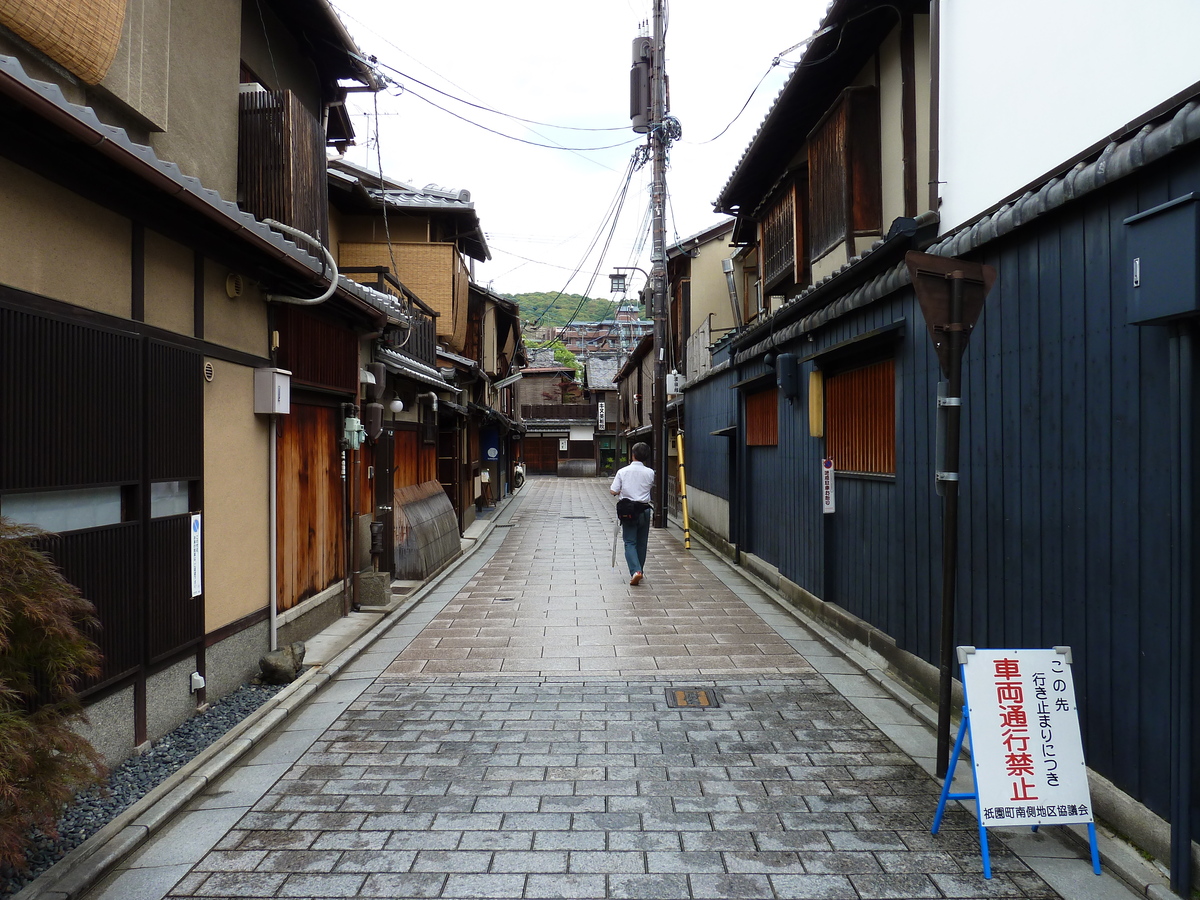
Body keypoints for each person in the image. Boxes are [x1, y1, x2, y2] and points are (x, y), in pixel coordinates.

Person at [610, 442, 654, 585]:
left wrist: (621, 490)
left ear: (632, 454)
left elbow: (613, 490)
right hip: (644, 509)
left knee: (629, 542)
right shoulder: (650, 472)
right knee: (642, 543)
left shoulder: (623, 472)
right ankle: (639, 569)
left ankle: (636, 571)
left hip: (628, 511)